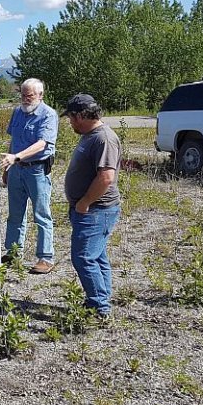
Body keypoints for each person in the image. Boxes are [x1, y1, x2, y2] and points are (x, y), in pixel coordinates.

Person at [61, 94, 122, 320]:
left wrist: (85, 202)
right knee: (96, 257)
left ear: (80, 116)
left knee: (84, 257)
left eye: (71, 118)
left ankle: (98, 307)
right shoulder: (90, 135)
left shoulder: (103, 138)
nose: (70, 123)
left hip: (96, 210)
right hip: (90, 210)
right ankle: (100, 300)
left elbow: (106, 177)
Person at [0, 78, 58, 274]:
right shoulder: (17, 112)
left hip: (37, 170)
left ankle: (45, 258)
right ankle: (14, 252)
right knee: (15, 214)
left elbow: (42, 144)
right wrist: (7, 167)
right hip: (16, 169)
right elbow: (14, 141)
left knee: (41, 214)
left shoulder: (48, 115)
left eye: (30, 95)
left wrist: (16, 157)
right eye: (23, 95)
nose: (25, 99)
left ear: (40, 96)